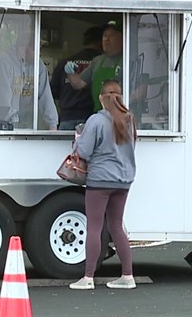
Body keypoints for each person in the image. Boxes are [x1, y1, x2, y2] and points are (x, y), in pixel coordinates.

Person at [69, 79, 137, 290]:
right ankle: (127, 276)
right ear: (120, 98)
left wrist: (78, 139)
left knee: (95, 227)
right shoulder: (130, 120)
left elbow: (84, 152)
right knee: (117, 226)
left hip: (100, 180)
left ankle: (88, 278)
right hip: (124, 180)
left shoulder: (96, 121)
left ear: (101, 98)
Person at [0, 31, 58, 130]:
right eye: (35, 48)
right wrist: (15, 125)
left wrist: (52, 124)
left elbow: (46, 96)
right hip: (5, 126)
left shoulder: (38, 65)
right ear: (23, 47)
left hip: (28, 126)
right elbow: (2, 104)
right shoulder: (4, 62)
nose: (38, 53)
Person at [51, 26, 104, 130]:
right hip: (91, 118)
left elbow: (53, 92)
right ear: (101, 41)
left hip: (67, 118)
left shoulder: (65, 62)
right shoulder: (102, 62)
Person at [64, 22, 123, 113]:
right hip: (99, 113)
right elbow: (78, 84)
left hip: (119, 114)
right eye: (105, 36)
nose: (106, 39)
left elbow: (140, 91)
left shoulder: (126, 60)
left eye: (112, 36)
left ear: (122, 38)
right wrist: (70, 73)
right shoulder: (97, 61)